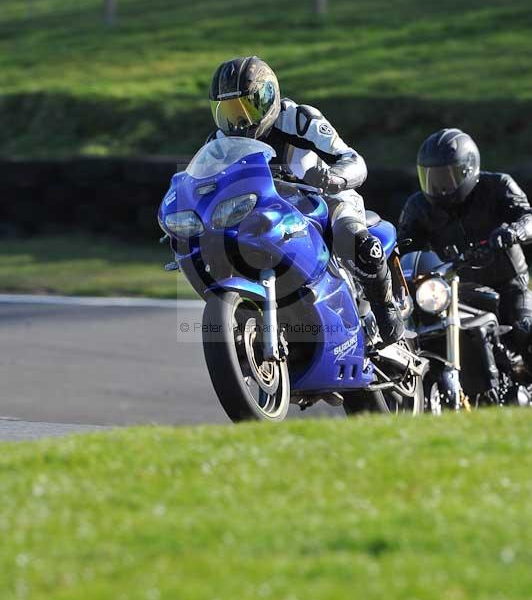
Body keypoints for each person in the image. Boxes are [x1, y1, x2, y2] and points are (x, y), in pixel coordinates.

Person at [208, 55, 404, 346]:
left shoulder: (298, 120)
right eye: (229, 112)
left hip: (325, 200)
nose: (239, 122)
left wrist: (334, 177)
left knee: (352, 237)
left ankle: (387, 313)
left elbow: (353, 160)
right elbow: (205, 185)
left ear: (268, 98)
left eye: (245, 109)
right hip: (269, 213)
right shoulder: (219, 144)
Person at [398, 127, 532, 366]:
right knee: (426, 334)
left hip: (509, 285)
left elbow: (529, 218)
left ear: (468, 169)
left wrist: (513, 232)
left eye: (445, 177)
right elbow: (405, 250)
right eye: (429, 177)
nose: (437, 187)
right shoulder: (418, 207)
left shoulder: (498, 186)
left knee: (525, 330)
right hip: (457, 290)